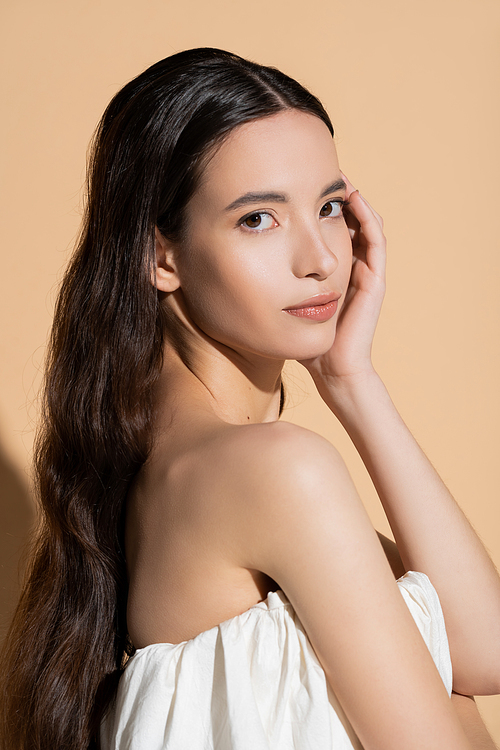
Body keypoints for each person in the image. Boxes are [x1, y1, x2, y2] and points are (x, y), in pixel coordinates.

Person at [1, 47, 499, 750]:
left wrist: (351, 381)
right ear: (161, 256)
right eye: (258, 219)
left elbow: (483, 649)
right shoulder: (274, 470)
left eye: (329, 207)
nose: (322, 258)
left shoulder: (174, 470)